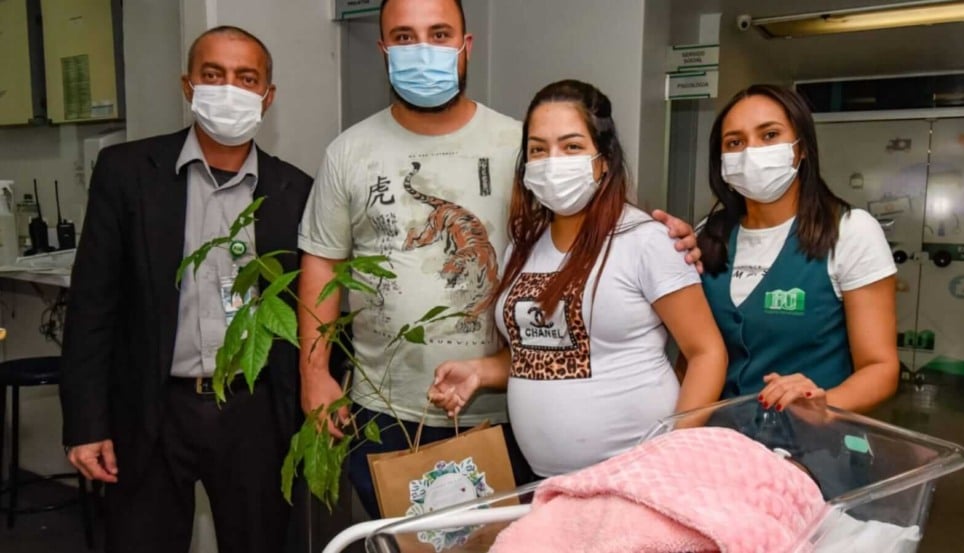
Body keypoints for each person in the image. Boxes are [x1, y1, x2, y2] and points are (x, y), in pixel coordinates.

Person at [297, 0, 699, 518]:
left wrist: (668, 240)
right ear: (383, 49)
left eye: (439, 34)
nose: (423, 50)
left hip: (506, 410)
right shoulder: (347, 153)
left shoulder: (522, 145)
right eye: (404, 37)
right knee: (403, 546)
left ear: (466, 46)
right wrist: (314, 373)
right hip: (387, 407)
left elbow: (592, 226)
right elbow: (323, 263)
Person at [59, 26, 311, 553]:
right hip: (152, 409)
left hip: (254, 412)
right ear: (188, 85)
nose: (229, 89)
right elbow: (92, 307)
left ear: (268, 96)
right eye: (213, 75)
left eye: (246, 78)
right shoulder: (128, 173)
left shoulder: (295, 191)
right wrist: (85, 422)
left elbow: (310, 310)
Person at [426, 80, 727, 478]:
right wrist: (479, 372)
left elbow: (706, 352)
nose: (553, 162)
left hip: (636, 476)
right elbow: (536, 352)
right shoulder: (524, 248)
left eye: (571, 146)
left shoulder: (646, 241)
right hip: (545, 481)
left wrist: (671, 449)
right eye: (538, 149)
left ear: (604, 159)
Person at [688, 84, 899, 413]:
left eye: (769, 135)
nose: (751, 152)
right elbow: (692, 355)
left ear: (801, 148)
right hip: (724, 438)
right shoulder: (709, 233)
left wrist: (823, 405)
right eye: (735, 142)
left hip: (814, 439)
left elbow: (880, 368)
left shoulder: (850, 231)